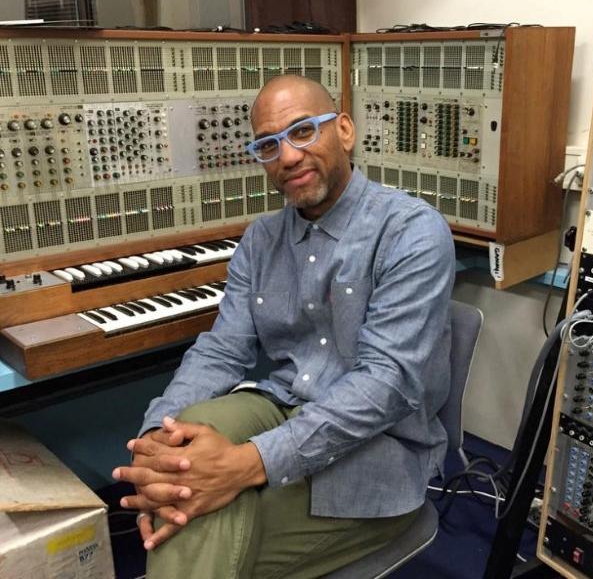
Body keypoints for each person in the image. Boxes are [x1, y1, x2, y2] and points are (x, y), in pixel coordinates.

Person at [112, 74, 455, 578]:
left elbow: (386, 385)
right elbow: (221, 351)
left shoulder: (410, 231)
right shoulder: (261, 239)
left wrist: (248, 464)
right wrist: (153, 447)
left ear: (344, 130)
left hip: (379, 448)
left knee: (195, 517)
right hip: (281, 405)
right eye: (269, 145)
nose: (288, 156)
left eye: (302, 131)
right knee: (188, 445)